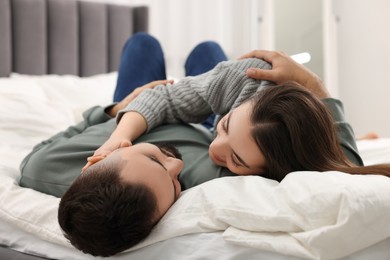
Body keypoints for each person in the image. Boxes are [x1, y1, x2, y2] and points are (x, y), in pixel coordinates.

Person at [19, 33, 389, 257]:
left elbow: (162, 101)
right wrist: (314, 86)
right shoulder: (218, 176)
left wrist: (115, 113)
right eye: (176, 184)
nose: (177, 165)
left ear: (99, 160)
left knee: (143, 44)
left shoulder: (45, 168)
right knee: (207, 52)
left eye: (154, 156)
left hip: (142, 105)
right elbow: (342, 170)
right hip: (206, 116)